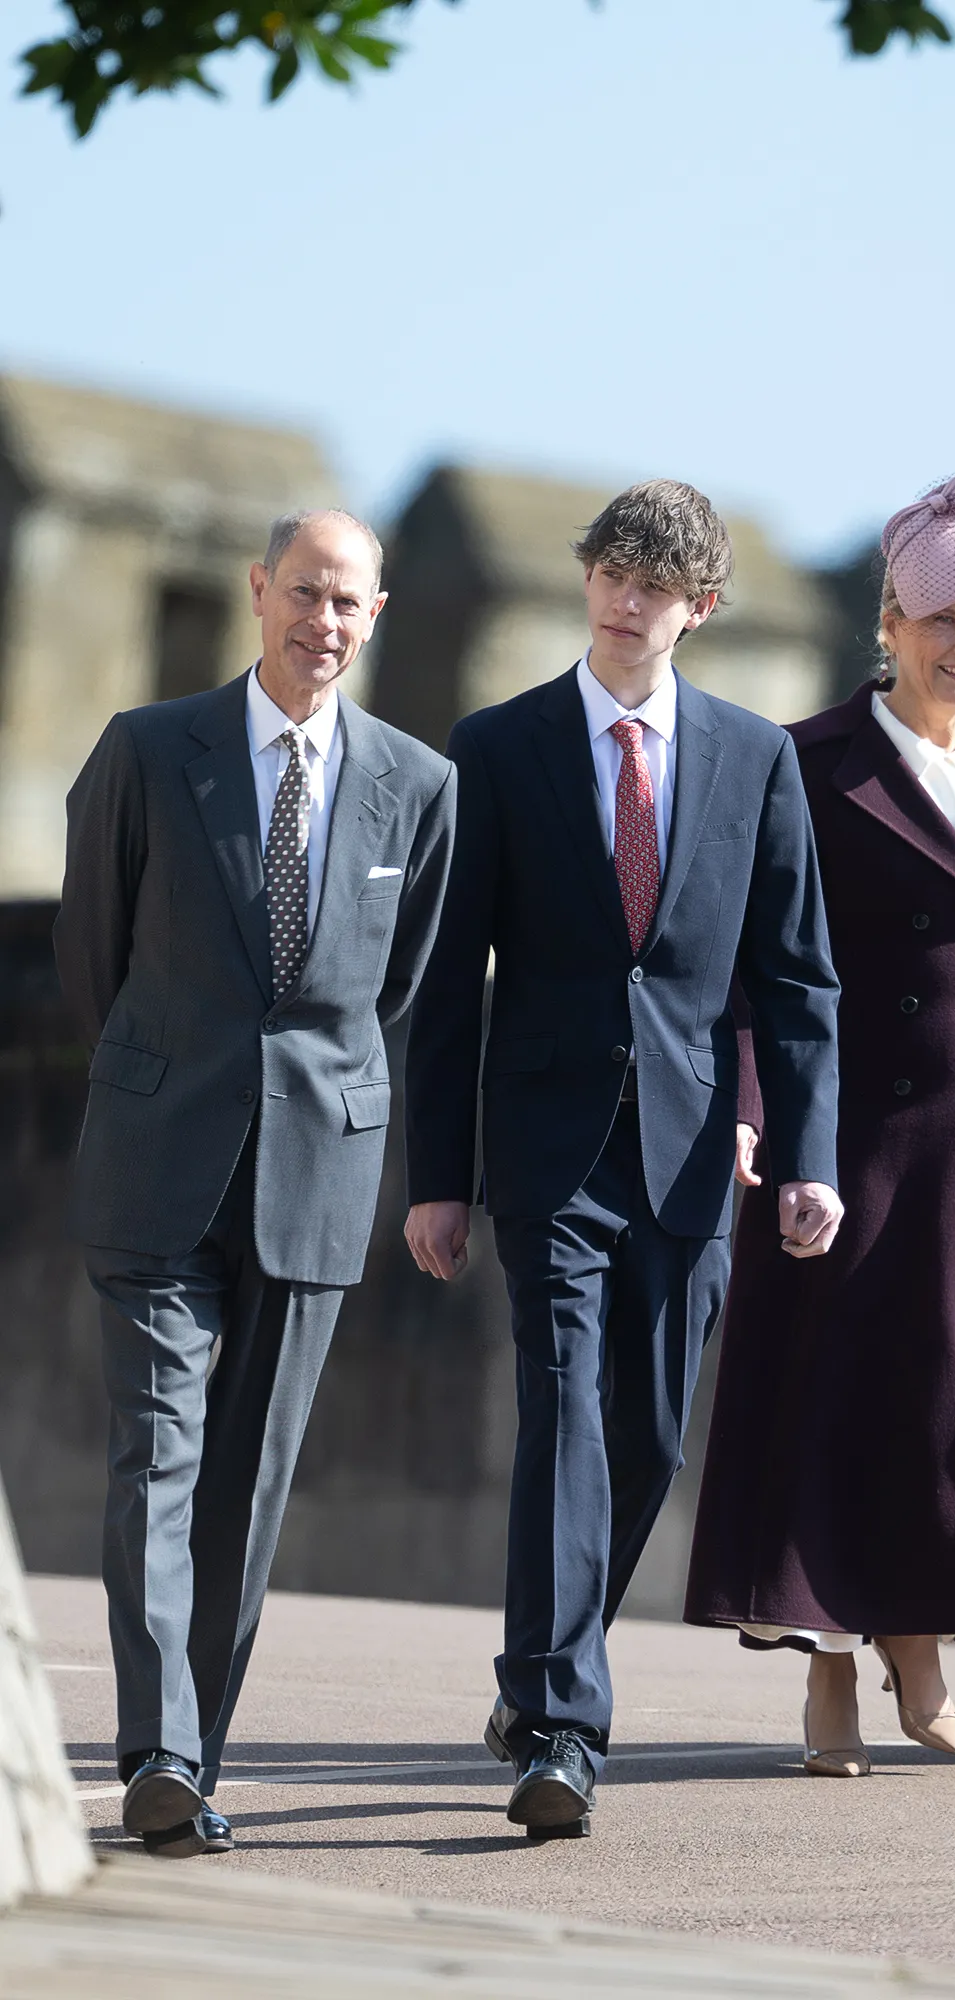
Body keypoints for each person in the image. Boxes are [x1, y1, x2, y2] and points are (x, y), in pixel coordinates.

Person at [402, 479, 842, 1839]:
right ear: (586, 578)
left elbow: (796, 978)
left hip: (695, 1152)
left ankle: (541, 1661)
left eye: (655, 583)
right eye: (610, 571)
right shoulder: (499, 745)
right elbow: (447, 980)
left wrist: (812, 1152)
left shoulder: (756, 758)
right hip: (544, 1151)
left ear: (698, 607)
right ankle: (556, 1722)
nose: (626, 597)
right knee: (561, 1419)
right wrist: (439, 1172)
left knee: (644, 1436)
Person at [684, 467, 955, 1777]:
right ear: (890, 623)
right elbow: (754, 969)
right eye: (943, 623)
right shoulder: (809, 768)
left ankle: (919, 1632)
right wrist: (756, 1113)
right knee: (843, 1404)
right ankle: (833, 1664)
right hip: (850, 1147)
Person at [54, 509, 456, 1857]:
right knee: (156, 1459)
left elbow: (387, 993)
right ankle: (160, 1749)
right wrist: (176, 1074)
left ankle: (193, 1757)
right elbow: (91, 963)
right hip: (158, 1168)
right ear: (255, 592)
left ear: (378, 614)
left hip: (314, 1182)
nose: (321, 623)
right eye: (302, 594)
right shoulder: (148, 753)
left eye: (347, 602)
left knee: (249, 1483)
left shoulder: (419, 787)